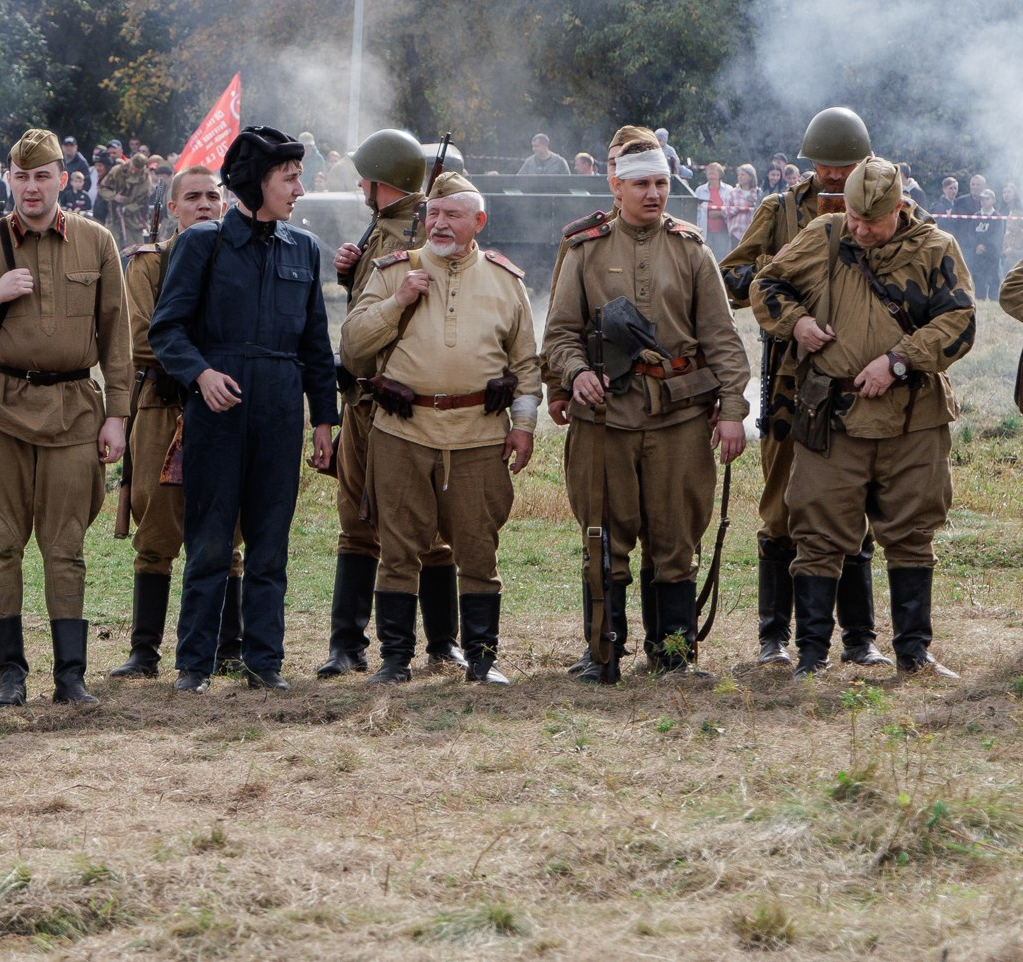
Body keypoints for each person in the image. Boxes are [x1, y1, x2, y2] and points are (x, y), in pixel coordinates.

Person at [544, 128, 751, 680]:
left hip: (679, 416)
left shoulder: (691, 249)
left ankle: (673, 656)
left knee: (675, 536)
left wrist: (732, 410)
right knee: (602, 537)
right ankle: (603, 652)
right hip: (605, 416)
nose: (653, 193)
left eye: (660, 182)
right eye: (640, 184)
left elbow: (723, 339)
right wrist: (575, 374)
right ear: (616, 186)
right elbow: (559, 334)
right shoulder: (584, 248)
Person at [0, 129, 132, 706]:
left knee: (66, 546)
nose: (31, 187)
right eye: (20, 176)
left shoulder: (96, 242)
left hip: (74, 412)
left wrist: (117, 414)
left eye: (42, 175)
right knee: (1, 544)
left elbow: (117, 336)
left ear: (63, 180)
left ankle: (71, 677)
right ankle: (10, 675)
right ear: (8, 181)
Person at [755, 158, 971, 676]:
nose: (858, 228)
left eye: (870, 221)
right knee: (818, 531)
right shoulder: (824, 236)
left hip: (913, 418)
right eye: (852, 215)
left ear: (898, 209)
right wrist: (799, 323)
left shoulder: (936, 247)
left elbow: (960, 320)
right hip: (832, 416)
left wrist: (898, 361)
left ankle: (914, 653)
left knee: (912, 530)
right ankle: (811, 655)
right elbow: (767, 285)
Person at [149, 127, 339, 691]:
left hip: (281, 409)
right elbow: (168, 329)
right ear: (257, 182)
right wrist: (201, 374)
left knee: (271, 542)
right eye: (290, 178)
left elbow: (315, 346)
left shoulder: (303, 249)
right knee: (208, 542)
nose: (300, 189)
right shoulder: (201, 244)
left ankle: (265, 663)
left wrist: (324, 420)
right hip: (217, 409)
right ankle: (193, 665)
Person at [340, 173, 539, 683]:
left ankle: (481, 658)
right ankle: (394, 659)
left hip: (479, 436)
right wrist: (397, 301)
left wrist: (524, 425)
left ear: (479, 221)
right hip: (402, 434)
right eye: (435, 213)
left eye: (453, 214)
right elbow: (354, 346)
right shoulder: (392, 271)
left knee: (478, 547)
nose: (441, 223)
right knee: (399, 547)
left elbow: (525, 365)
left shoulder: (505, 280)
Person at [719, 108, 889, 669]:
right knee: (782, 506)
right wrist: (785, 272)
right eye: (827, 167)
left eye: (846, 167)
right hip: (792, 380)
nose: (836, 177)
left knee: (854, 509)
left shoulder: (885, 208)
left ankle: (859, 639)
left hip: (860, 380)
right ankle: (775, 636)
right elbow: (732, 279)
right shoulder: (781, 210)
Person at [315, 130, 460, 677]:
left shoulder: (423, 231)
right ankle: (356, 644)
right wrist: (349, 273)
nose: (358, 186)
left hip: (401, 402)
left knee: (424, 527)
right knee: (362, 519)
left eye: (365, 179)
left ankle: (430, 643)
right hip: (363, 395)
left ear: (384, 182)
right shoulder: (383, 229)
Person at [109, 164, 227, 678]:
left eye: (213, 197)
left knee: (228, 529)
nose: (205, 205)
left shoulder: (238, 259)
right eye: (193, 197)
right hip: (163, 404)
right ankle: (144, 651)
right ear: (172, 208)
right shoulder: (149, 264)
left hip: (225, 407)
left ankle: (231, 644)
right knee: (156, 528)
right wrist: (207, 362)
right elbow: (140, 339)